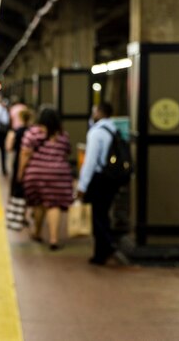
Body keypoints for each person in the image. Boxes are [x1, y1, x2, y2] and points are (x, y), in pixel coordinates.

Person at [17, 106, 73, 250]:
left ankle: (37, 232)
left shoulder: (32, 134)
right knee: (54, 205)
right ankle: (54, 239)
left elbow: (24, 154)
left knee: (38, 203)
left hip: (36, 174)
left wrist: (20, 173)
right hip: (59, 175)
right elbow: (67, 152)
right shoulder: (63, 135)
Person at [76, 102, 125, 265]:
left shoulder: (96, 132)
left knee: (97, 216)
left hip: (99, 178)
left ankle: (107, 246)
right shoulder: (114, 129)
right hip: (112, 177)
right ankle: (102, 251)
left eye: (94, 111)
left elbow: (90, 162)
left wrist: (82, 186)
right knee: (103, 213)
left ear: (99, 112)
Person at [5, 108, 33, 230]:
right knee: (27, 190)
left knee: (17, 189)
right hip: (31, 164)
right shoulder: (32, 132)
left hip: (19, 162)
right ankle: (25, 215)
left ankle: (17, 216)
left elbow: (9, 148)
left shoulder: (17, 131)